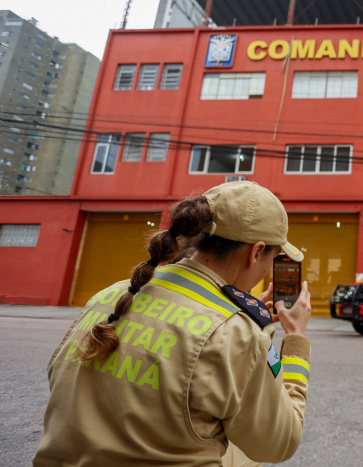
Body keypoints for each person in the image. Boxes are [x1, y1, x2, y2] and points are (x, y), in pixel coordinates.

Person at [34, 181, 312, 466]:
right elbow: (280, 444)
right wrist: (296, 338)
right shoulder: (239, 331)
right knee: (249, 456)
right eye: (273, 258)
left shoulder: (111, 294)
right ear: (256, 252)